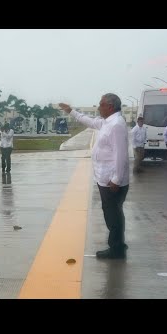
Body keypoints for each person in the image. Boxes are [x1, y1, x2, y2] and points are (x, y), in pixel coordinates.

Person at [59, 93, 129, 259]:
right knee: (112, 213)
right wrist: (71, 111)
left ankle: (116, 250)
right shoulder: (107, 122)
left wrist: (116, 179)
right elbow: (89, 121)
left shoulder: (116, 125)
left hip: (112, 180)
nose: (98, 107)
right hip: (105, 178)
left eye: (101, 104)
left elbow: (121, 155)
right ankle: (118, 245)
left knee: (113, 215)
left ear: (110, 107)